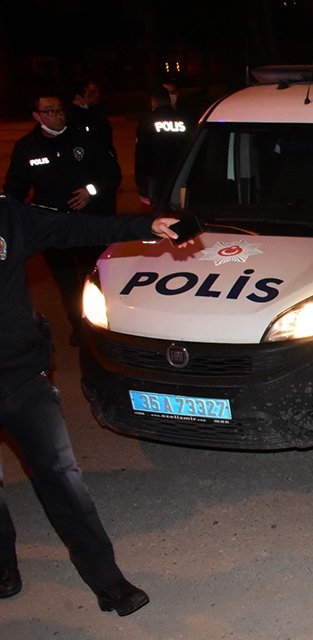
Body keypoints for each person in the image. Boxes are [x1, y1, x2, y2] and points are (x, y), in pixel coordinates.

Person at [0, 193, 186, 614]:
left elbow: (74, 228)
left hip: (21, 377)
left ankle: (109, 582)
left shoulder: (7, 217)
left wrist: (144, 226)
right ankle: (3, 566)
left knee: (63, 479)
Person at [4, 91, 123, 345]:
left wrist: (90, 192)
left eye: (60, 110)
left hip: (89, 224)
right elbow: (15, 190)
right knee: (66, 281)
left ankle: (103, 326)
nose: (57, 115)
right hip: (53, 228)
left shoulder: (86, 139)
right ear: (37, 116)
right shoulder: (26, 148)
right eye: (50, 111)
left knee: (96, 278)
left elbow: (111, 175)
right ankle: (79, 327)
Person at [135, 87, 193, 207]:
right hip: (180, 173)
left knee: (159, 211)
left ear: (153, 101)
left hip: (157, 175)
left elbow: (141, 152)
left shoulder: (148, 121)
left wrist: (141, 181)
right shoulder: (183, 119)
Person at [67, 78, 114, 153]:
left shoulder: (96, 111)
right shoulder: (71, 117)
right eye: (91, 93)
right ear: (78, 97)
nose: (95, 96)